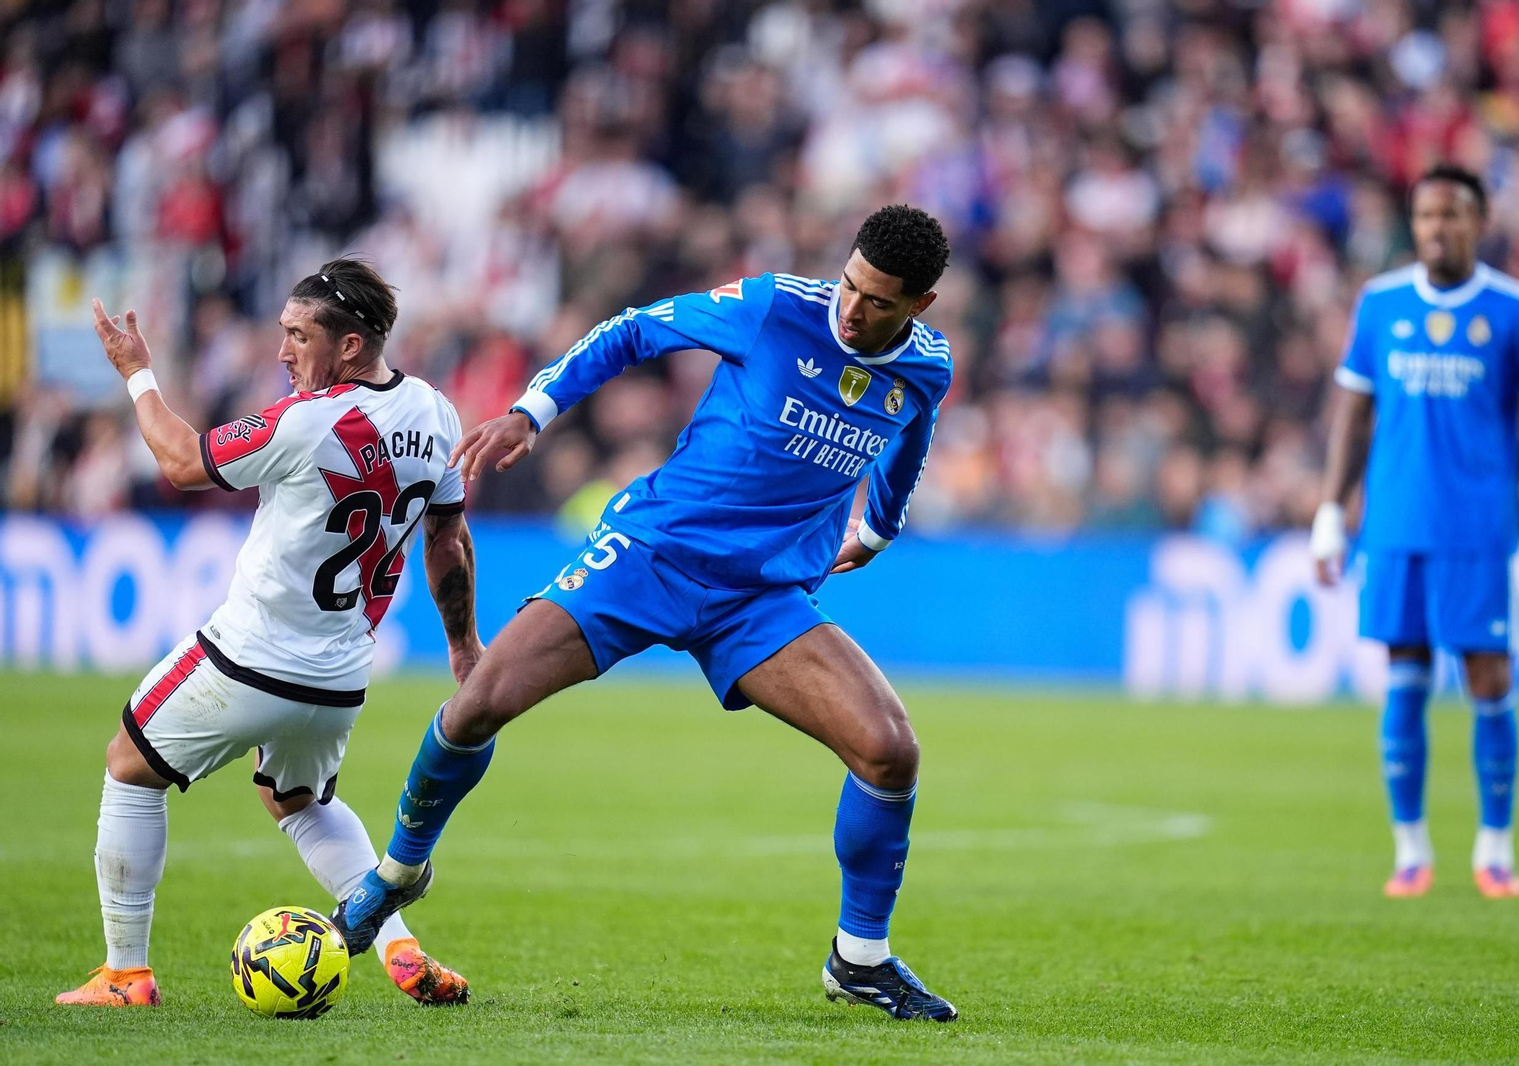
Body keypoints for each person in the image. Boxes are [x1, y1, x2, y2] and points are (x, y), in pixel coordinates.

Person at [332, 205, 960, 1022]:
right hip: (651, 554)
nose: (851, 309)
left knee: (890, 751)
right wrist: (533, 410)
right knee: (478, 702)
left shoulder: (926, 367)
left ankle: (860, 959)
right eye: (849, 284)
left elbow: (910, 439)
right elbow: (634, 331)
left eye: (877, 302)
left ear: (920, 304)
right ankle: (400, 872)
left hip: (759, 597)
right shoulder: (774, 306)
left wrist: (877, 529)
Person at [58, 259, 480, 1007]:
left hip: (249, 658)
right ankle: (401, 948)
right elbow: (448, 539)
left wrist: (136, 374)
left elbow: (181, 461)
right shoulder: (435, 413)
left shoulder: (307, 420)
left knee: (128, 764)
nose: (283, 350)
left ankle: (125, 975)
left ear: (349, 346)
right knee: (297, 801)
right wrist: (461, 642)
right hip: (340, 677)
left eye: (298, 335)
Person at [1312, 165, 1519, 900]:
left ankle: (1495, 849)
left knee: (1489, 678)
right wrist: (1331, 511)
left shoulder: (1515, 309)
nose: (1438, 227)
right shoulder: (1381, 303)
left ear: (1478, 222)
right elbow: (1353, 413)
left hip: (1477, 528)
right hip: (1395, 524)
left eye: (1453, 214)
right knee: (1404, 678)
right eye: (1427, 215)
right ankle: (1410, 851)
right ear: (1414, 223)